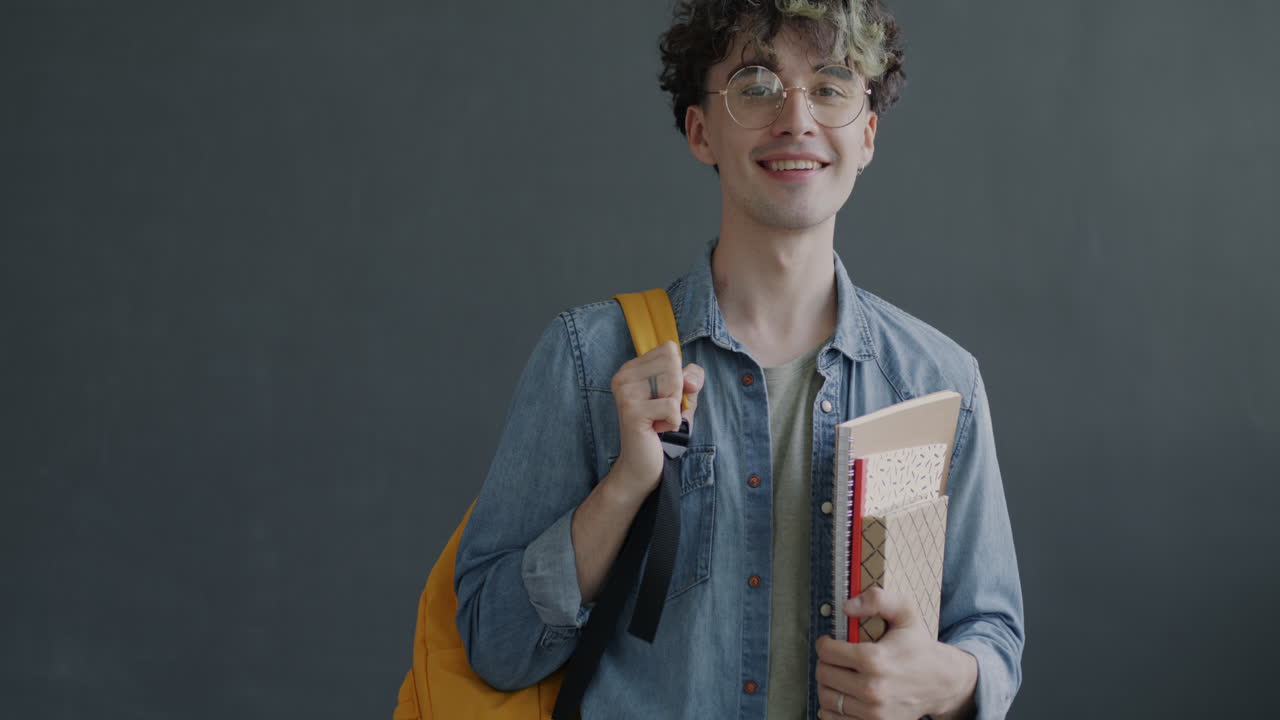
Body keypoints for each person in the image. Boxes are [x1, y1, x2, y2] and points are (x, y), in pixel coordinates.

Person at [452, 1, 1024, 718]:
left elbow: (993, 636)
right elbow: (492, 645)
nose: (797, 118)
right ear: (701, 131)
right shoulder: (587, 359)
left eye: (831, 85)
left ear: (867, 134)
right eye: (755, 85)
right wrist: (627, 486)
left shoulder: (941, 383)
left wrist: (942, 678)